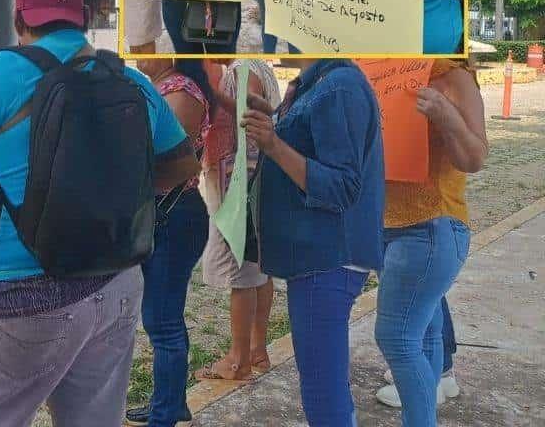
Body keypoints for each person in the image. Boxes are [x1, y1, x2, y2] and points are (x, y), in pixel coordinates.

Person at [0, 0, 200, 427]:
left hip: (19, 296)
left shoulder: (7, 70)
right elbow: (184, 165)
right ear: (83, 17)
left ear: (19, 20)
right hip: (115, 283)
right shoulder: (130, 80)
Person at [246, 58, 384, 426]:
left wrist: (273, 144)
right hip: (316, 255)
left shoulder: (339, 87)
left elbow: (342, 186)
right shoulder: (316, 83)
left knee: (323, 390)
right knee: (325, 382)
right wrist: (272, 120)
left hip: (327, 258)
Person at [374, 60, 486, 425]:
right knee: (423, 337)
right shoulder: (376, 67)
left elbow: (475, 157)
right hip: (388, 226)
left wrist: (446, 116)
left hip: (430, 227)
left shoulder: (453, 76)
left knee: (396, 337)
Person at [125, 58, 213, 427]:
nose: (138, 50)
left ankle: (165, 415)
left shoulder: (180, 91)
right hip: (164, 213)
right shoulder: (166, 87)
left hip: (172, 215)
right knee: (164, 318)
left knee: (163, 322)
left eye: (148, 44)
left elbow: (166, 159)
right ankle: (170, 403)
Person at [195, 58, 281, 382]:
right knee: (259, 268)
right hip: (250, 172)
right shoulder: (259, 66)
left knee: (240, 271)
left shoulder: (243, 69)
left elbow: (250, 110)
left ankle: (238, 360)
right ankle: (257, 349)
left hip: (238, 176)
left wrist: (211, 94)